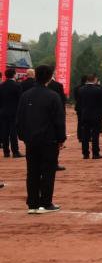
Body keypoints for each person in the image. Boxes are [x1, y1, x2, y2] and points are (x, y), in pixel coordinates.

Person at [16, 65, 66, 214]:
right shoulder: (53, 96)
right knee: (48, 171)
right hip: (49, 140)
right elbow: (59, 120)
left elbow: (19, 119)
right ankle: (45, 203)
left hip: (31, 140)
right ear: (50, 78)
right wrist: (61, 138)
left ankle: (32, 204)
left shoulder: (25, 95)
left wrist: (23, 136)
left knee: (32, 171)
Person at [76, 74, 102, 159]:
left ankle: (85, 153)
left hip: (85, 114)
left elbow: (79, 103)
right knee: (95, 134)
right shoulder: (98, 90)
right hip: (96, 115)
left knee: (85, 134)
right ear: (94, 79)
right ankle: (95, 153)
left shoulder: (81, 90)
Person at [0, 67, 23, 158]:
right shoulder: (17, 86)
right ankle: (15, 151)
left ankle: (6, 152)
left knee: (4, 131)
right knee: (13, 132)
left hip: (3, 111)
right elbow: (20, 100)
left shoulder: (1, 86)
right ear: (14, 75)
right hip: (14, 112)